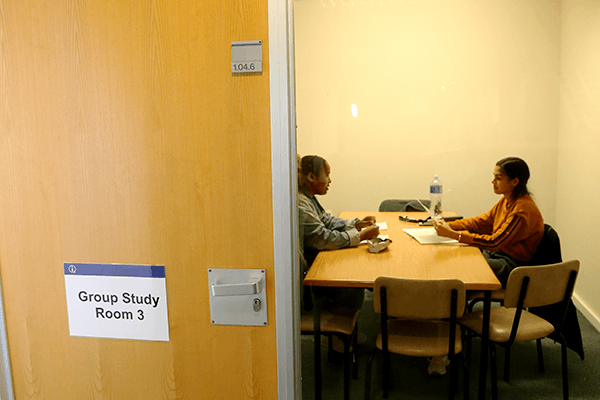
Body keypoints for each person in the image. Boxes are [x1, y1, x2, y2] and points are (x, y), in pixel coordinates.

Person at [434, 157, 544, 287]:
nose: (493, 182)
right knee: (457, 256)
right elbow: (481, 222)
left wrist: (453, 234)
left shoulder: (522, 210)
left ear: (514, 181)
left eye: (498, 178)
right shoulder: (507, 200)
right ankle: (458, 304)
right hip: (498, 254)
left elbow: (494, 242)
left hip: (513, 265)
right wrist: (449, 225)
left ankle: (457, 305)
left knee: (461, 265)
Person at [298, 155, 380, 312]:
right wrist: (361, 236)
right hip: (314, 280)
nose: (330, 181)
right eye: (327, 175)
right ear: (311, 176)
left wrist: (356, 224)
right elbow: (323, 238)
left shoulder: (309, 197)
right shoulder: (301, 204)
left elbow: (327, 221)